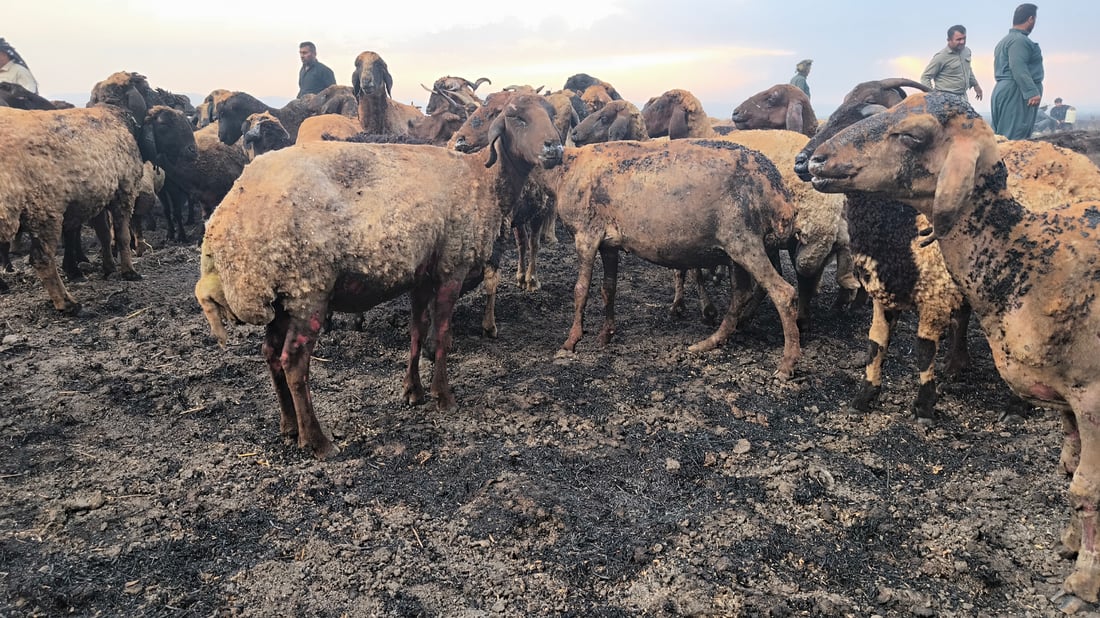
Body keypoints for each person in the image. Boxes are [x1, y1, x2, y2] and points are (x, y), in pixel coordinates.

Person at [991, 4, 1044, 140]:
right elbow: (1018, 66)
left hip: (1006, 88)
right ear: (1030, 19)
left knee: (1001, 136)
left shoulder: (1005, 40)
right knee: (1014, 138)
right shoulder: (1019, 41)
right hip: (1016, 91)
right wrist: (1031, 91)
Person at [920, 25, 983, 101]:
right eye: (958, 39)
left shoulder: (967, 51)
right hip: (945, 100)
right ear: (949, 40)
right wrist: (933, 96)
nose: (962, 42)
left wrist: (976, 85)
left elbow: (968, 69)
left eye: (964, 38)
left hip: (963, 97)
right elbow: (925, 77)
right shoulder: (941, 57)